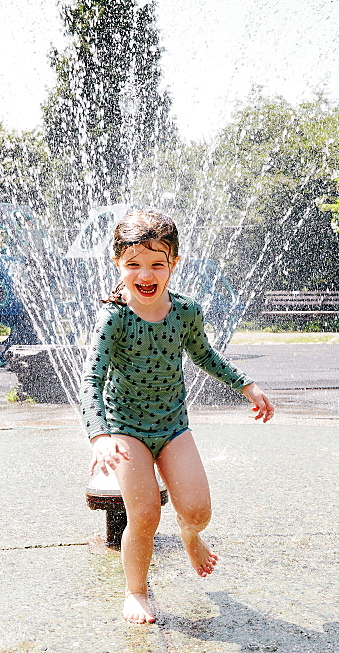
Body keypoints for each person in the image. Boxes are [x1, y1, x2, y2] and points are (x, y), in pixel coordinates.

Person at [80, 209, 274, 624]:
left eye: (156, 263)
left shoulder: (186, 312)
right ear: (118, 264)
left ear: (174, 263)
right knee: (145, 515)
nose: (144, 274)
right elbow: (90, 380)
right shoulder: (114, 317)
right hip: (126, 428)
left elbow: (204, 354)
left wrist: (246, 385)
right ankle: (135, 591)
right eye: (133, 264)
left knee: (199, 511)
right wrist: (100, 436)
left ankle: (190, 537)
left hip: (171, 427)